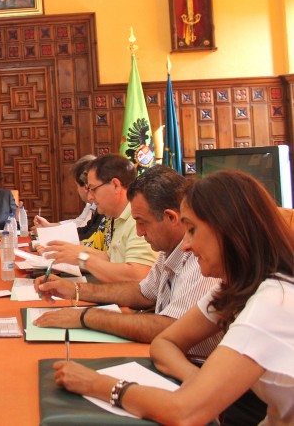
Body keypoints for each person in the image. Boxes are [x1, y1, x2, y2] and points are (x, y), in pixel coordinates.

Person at [51, 170, 292, 425]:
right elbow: (164, 341)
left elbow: (184, 412)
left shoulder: (272, 303)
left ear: (229, 231)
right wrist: (197, 382)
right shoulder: (234, 286)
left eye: (193, 230)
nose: (186, 244)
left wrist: (98, 384)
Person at [33, 165, 221, 357]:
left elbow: (172, 328)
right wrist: (75, 290)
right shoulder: (168, 248)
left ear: (171, 218)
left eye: (142, 222)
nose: (139, 231)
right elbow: (143, 292)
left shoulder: (203, 258)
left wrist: (85, 316)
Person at [39, 154, 157, 282]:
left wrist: (81, 257)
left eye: (93, 189)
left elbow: (138, 276)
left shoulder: (138, 219)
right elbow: (110, 258)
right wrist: (68, 251)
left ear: (116, 185)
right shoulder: (119, 217)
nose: (90, 197)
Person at [34, 154, 103, 240]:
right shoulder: (95, 206)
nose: (89, 197)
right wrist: (49, 228)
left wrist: (48, 233)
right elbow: (84, 228)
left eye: (92, 188)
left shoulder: (104, 208)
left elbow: (88, 237)